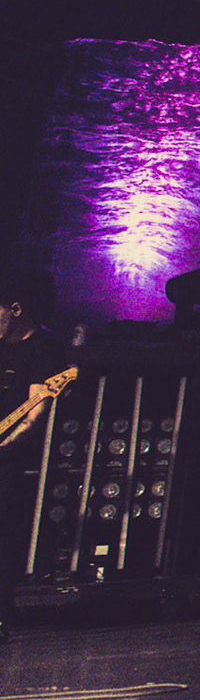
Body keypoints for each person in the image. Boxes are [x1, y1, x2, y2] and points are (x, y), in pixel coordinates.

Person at [0, 264, 67, 643]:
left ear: (15, 309)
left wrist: (3, 445)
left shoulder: (44, 348)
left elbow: (33, 416)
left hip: (9, 460)